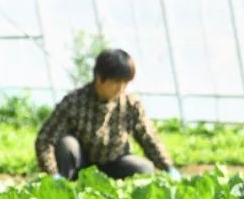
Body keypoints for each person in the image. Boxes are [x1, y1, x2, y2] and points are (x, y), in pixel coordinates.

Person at [35, 48, 181, 181]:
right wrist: (52, 174)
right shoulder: (74, 102)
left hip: (115, 163)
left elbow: (148, 138)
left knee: (143, 168)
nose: (121, 88)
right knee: (67, 144)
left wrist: (168, 167)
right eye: (117, 82)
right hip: (81, 167)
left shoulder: (131, 104)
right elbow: (45, 139)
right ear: (99, 78)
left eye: (125, 83)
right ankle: (64, 188)